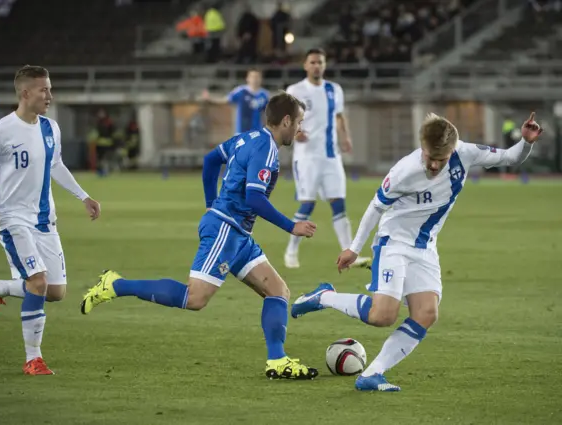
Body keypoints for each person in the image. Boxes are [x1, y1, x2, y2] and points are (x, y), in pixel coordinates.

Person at [291, 112, 543, 391]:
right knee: (382, 316)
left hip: (425, 247)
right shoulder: (404, 169)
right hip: (394, 242)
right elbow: (376, 206)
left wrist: (526, 141)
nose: (434, 164)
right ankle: (324, 297)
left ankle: (372, 374)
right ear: (422, 147)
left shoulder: (466, 153)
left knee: (426, 313)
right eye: (430, 157)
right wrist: (353, 248)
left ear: (452, 150)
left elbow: (510, 157)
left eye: (442, 159)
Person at [81, 92, 319, 380]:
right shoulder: (266, 149)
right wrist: (291, 226)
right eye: (299, 122)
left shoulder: (246, 137)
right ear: (285, 120)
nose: (300, 129)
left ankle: (277, 361)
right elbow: (254, 198)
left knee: (278, 291)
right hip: (225, 229)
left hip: (237, 232)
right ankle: (116, 285)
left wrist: (210, 202)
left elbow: (210, 161)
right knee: (195, 298)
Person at [0, 65, 101, 375]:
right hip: (13, 220)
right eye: (44, 90)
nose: (50, 95)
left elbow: (56, 166)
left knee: (55, 291)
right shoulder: (0, 131)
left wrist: (84, 196)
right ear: (25, 93)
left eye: (50, 89)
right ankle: (33, 359)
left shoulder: (50, 128)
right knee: (38, 282)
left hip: (44, 220)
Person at [283, 48, 369, 269]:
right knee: (307, 204)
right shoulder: (295, 90)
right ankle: (291, 251)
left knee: (338, 203)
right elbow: (286, 118)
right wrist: (295, 132)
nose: (316, 66)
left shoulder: (334, 89)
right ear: (305, 65)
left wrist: (346, 137)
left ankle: (350, 253)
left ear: (325, 65)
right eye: (312, 62)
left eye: (320, 62)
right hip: (307, 157)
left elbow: (339, 116)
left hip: (331, 155)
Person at [203, 68, 270, 135]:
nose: (255, 79)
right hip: (241, 131)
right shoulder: (241, 91)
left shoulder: (264, 95)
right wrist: (210, 100)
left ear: (261, 79)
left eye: (257, 77)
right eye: (253, 77)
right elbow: (225, 100)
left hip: (256, 132)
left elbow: (267, 114)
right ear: (247, 78)